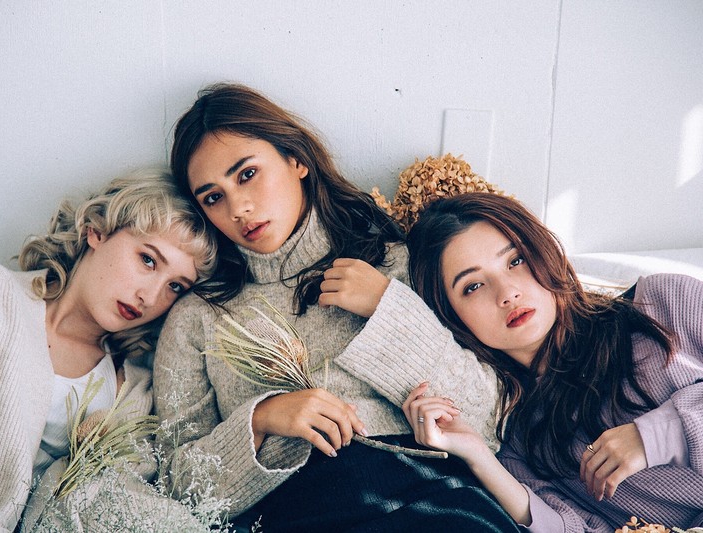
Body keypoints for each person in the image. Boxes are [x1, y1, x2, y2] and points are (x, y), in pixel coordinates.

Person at [154, 83, 518, 531]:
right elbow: (179, 488)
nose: (239, 208)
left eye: (247, 174)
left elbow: (490, 419)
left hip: (436, 498)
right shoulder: (198, 317)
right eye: (213, 197)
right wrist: (261, 420)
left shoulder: (398, 265)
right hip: (298, 512)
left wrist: (388, 310)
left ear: (297, 160)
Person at [0, 169, 217, 531]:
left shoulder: (136, 390)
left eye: (175, 286)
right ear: (97, 231)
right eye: (148, 260)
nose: (150, 296)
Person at [403, 191, 703, 531]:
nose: (507, 293)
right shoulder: (519, 445)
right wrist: (479, 456)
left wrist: (654, 436)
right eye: (473, 286)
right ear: (451, 317)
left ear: (543, 252)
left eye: (515, 260)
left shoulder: (665, 304)